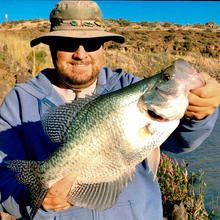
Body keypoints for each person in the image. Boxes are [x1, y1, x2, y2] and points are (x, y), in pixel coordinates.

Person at [0, 1, 219, 219]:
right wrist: (30, 200)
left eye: (92, 43)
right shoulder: (19, 101)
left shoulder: (129, 85)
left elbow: (182, 142)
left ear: (104, 47)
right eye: (67, 43)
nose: (81, 53)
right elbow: (4, 180)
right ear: (51, 47)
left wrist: (199, 115)